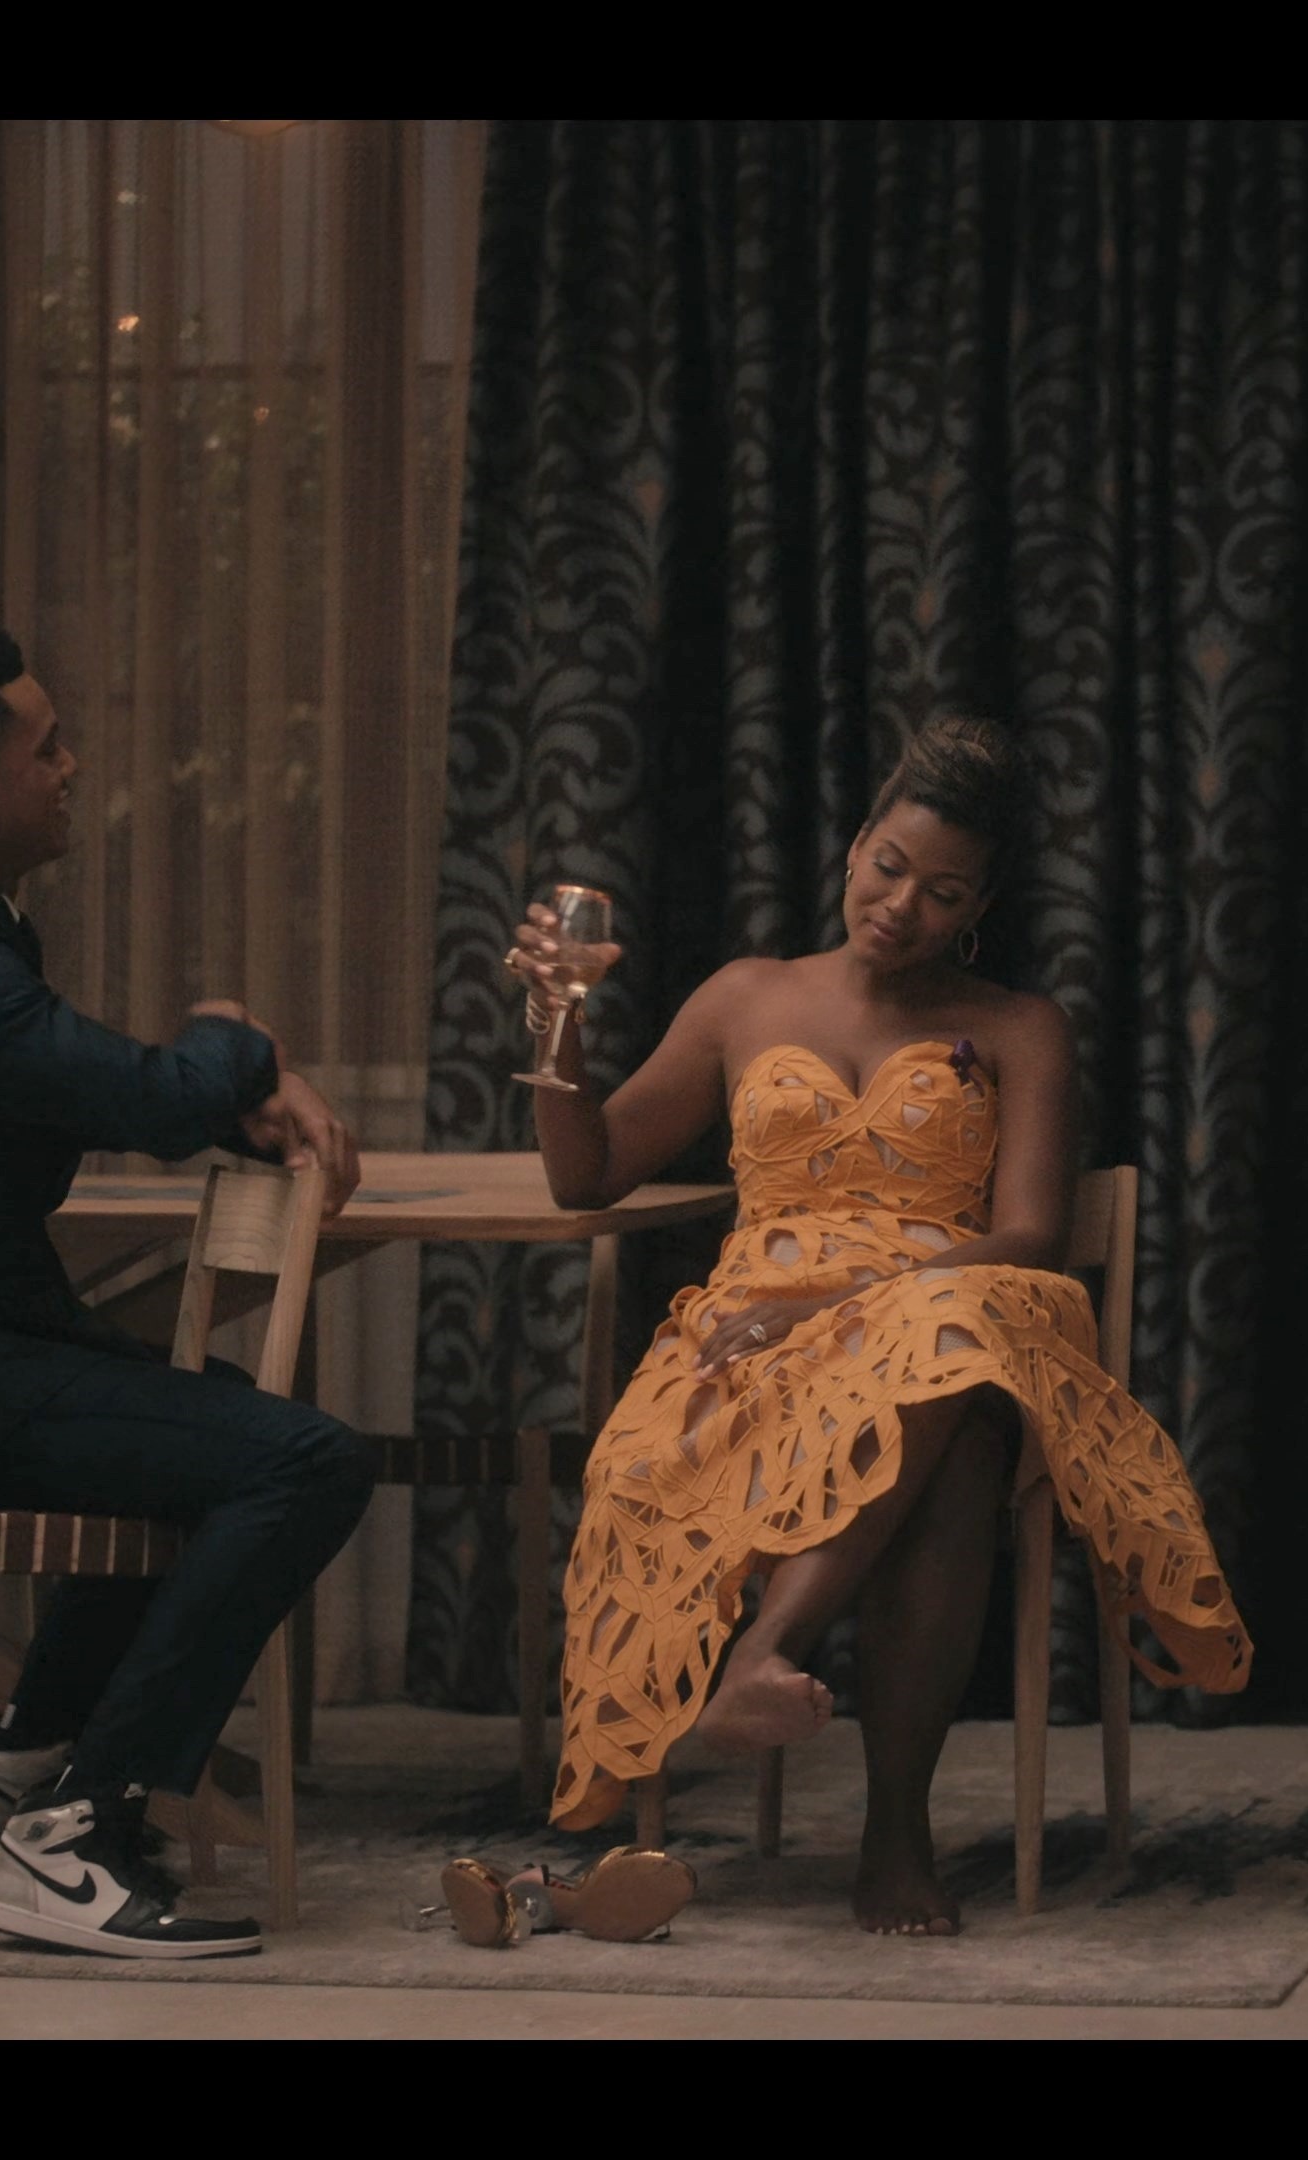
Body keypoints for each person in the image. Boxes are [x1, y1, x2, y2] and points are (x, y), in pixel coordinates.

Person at [513, 715, 1252, 1935]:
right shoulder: (744, 998)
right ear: (856, 845)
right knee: (950, 1457)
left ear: (978, 907)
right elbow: (583, 1175)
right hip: (756, 1345)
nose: (902, 906)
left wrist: (845, 1303)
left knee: (949, 1359)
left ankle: (772, 1656)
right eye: (890, 867)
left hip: (956, 1312)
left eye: (943, 892)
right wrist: (555, 1020)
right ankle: (894, 1837)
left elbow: (1031, 1234)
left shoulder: (1017, 1025)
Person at [0, 624, 370, 1961]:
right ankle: (78, 1835)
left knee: (206, 1429)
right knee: (305, 1461)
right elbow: (140, 1097)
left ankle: (19, 1763)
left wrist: (229, 1083)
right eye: (49, 747)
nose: (73, 765)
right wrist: (240, 1038)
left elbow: (91, 1091)